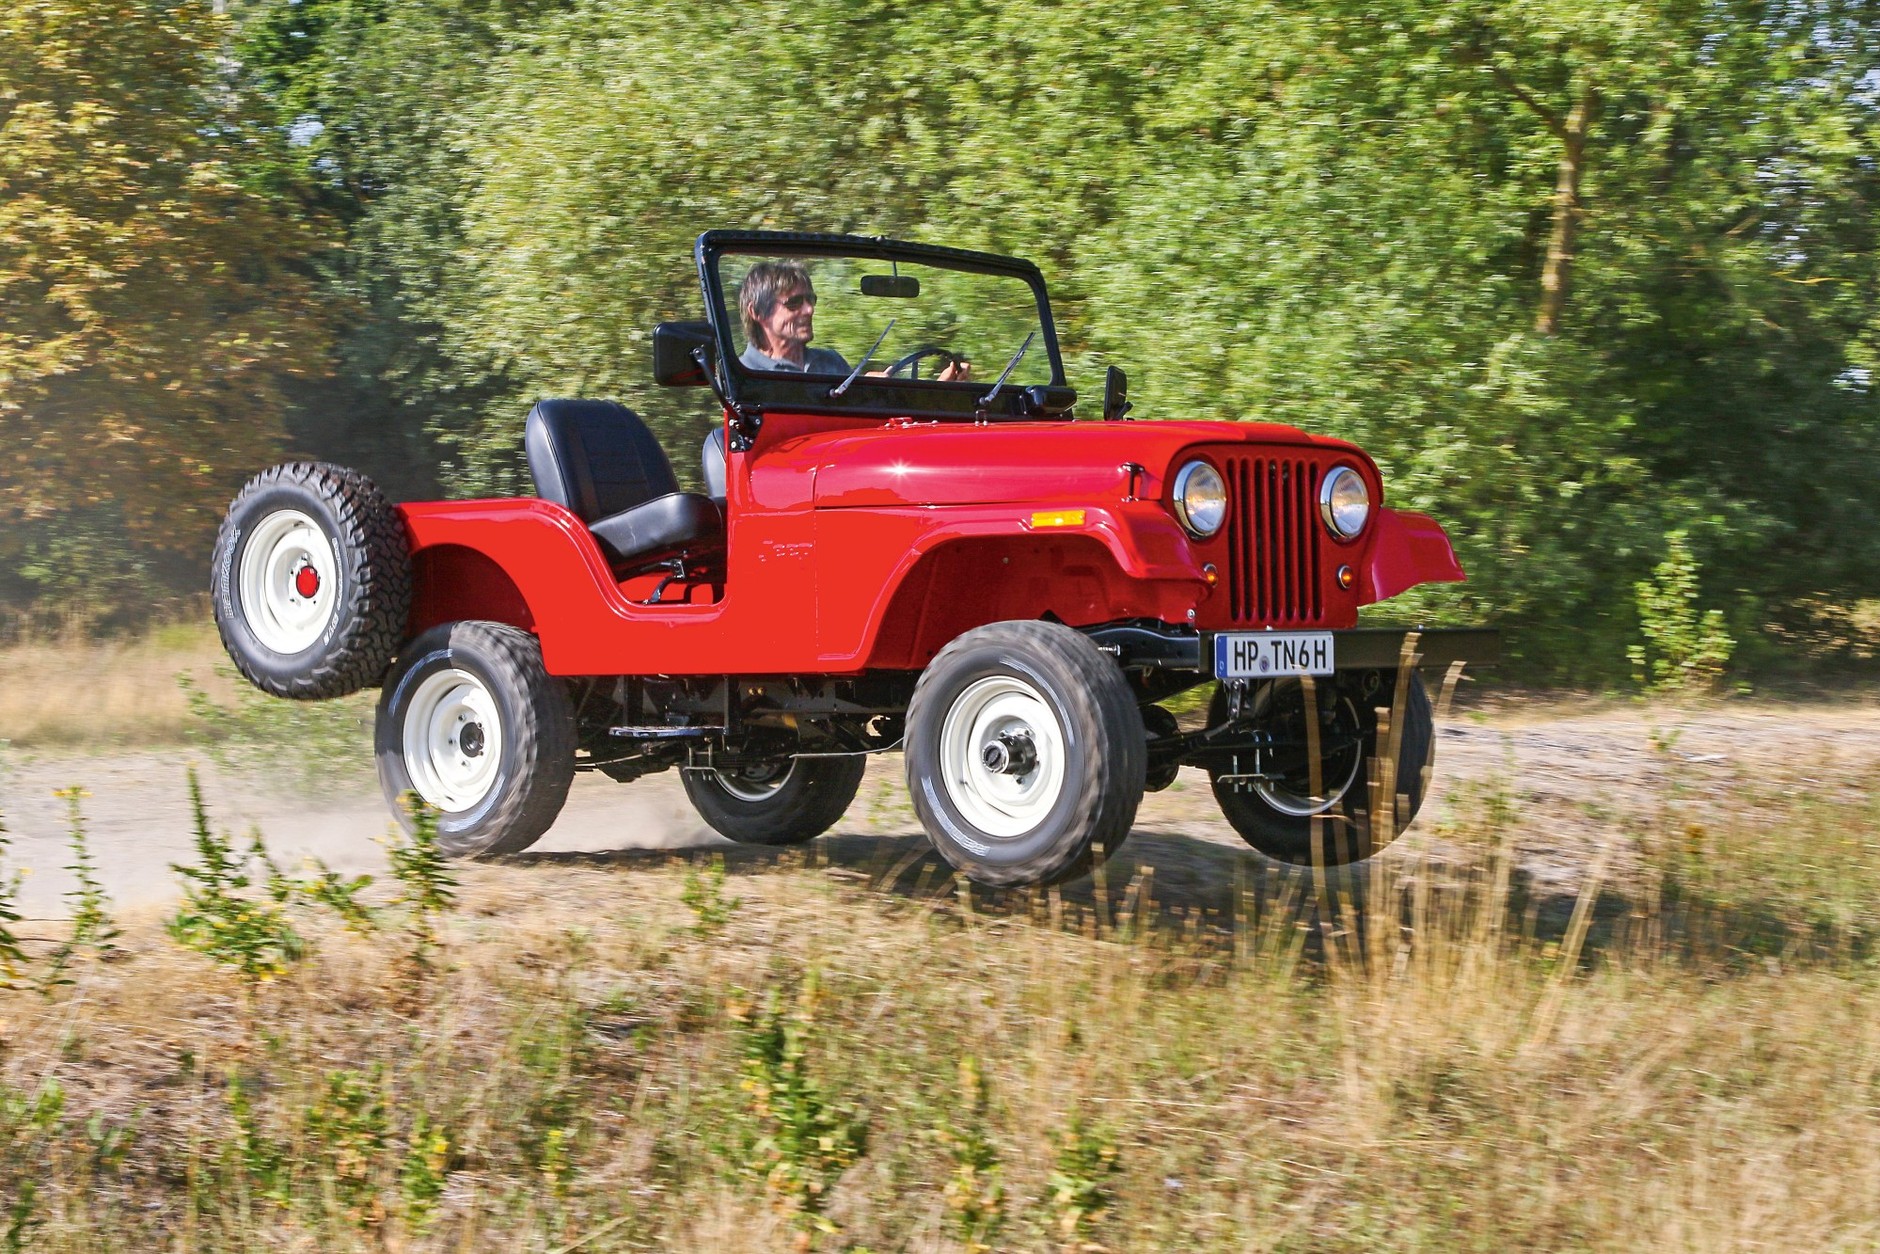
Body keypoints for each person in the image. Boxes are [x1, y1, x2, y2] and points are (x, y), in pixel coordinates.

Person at [736, 259, 970, 381]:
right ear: (758, 312)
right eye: (794, 303)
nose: (809, 310)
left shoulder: (830, 362)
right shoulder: (742, 372)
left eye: (811, 300)